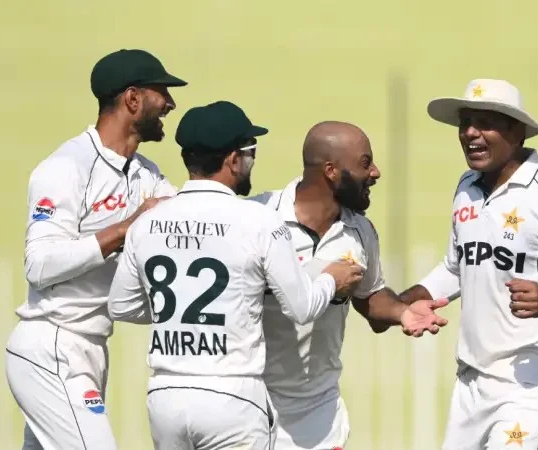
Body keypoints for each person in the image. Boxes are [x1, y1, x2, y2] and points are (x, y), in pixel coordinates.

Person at [106, 101, 366, 449]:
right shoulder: (259, 220)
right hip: (232, 394)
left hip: (166, 395)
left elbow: (121, 306)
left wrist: (183, 313)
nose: (251, 163)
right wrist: (332, 279)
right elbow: (302, 307)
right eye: (250, 153)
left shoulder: (148, 222)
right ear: (233, 159)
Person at [398, 78, 538, 450]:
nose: (470, 133)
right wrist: (401, 303)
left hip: (532, 382)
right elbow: (456, 267)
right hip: (471, 384)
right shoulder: (467, 186)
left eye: (485, 123)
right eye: (465, 123)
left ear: (517, 131)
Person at [4, 48, 187, 450]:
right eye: (162, 93)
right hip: (52, 344)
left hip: (90, 350)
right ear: (133, 98)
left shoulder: (146, 174)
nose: (171, 104)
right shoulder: (66, 166)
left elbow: (195, 214)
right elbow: (39, 265)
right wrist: (123, 230)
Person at [249, 120, 450, 450]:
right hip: (253, 406)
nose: (376, 172)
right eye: (365, 163)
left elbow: (370, 297)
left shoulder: (360, 232)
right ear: (331, 170)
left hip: (319, 416)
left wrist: (402, 312)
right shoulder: (258, 217)